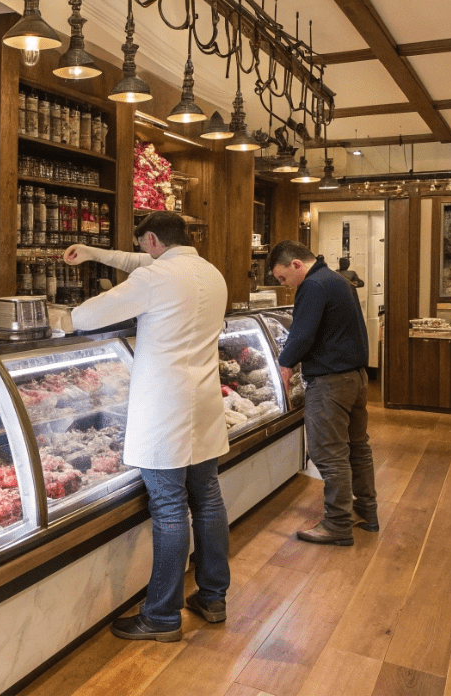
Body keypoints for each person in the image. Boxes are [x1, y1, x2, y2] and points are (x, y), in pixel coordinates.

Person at [62, 211, 230, 642]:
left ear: (152, 239)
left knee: (170, 508)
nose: (141, 254)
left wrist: (56, 316)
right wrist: (94, 252)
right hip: (204, 404)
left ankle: (162, 616)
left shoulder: (154, 279)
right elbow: (141, 264)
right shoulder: (211, 273)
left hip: (165, 409)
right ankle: (213, 597)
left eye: (143, 245)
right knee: (208, 500)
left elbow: (85, 316)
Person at [268, 241, 376, 546]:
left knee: (329, 453)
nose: (285, 285)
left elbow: (302, 334)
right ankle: (366, 510)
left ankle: (338, 523)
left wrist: (285, 364)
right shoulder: (337, 280)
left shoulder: (313, 285)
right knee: (358, 447)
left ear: (296, 264)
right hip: (356, 377)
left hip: (331, 382)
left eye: (283, 278)